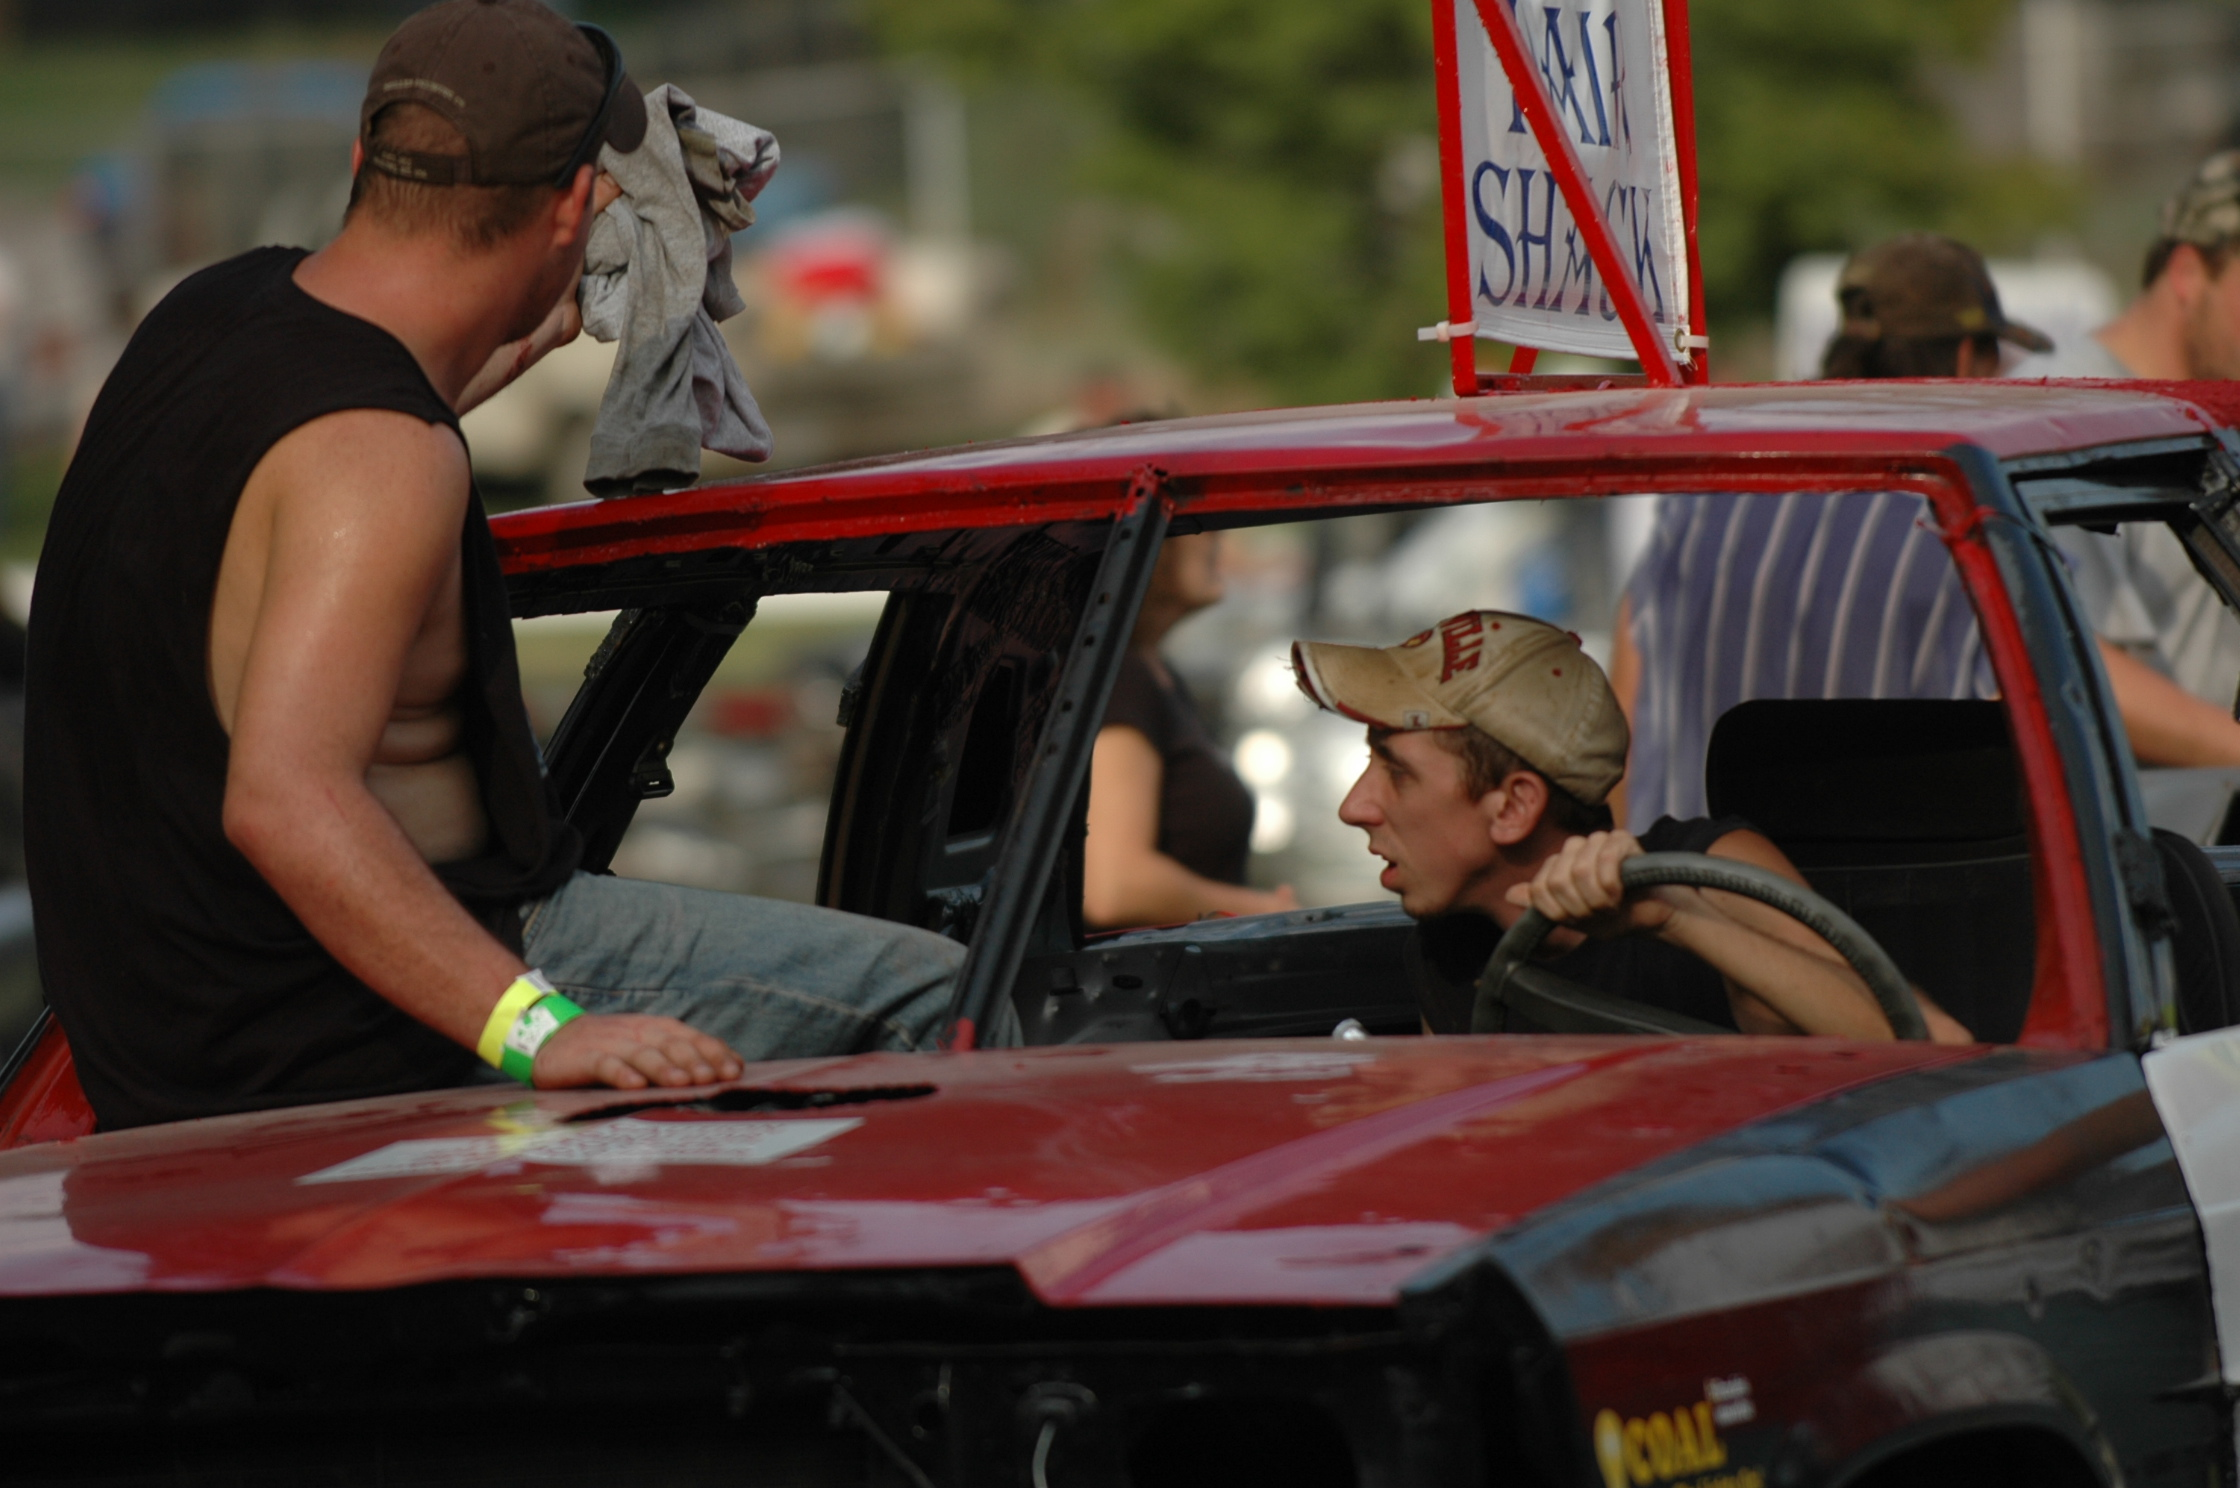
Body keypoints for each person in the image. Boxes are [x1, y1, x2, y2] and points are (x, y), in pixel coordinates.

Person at [24, 0, 962, 1132]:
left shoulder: (205, 315)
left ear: (367, 161)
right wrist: (541, 1029)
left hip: (167, 1037)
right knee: (944, 990)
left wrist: (473, 371)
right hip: (360, 1020)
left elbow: (284, 463)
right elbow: (284, 800)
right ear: (574, 208)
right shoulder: (384, 456)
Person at [1613, 232, 2240, 830]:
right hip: (1868, 901)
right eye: (1996, 360)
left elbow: (1626, 703)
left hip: (1678, 884)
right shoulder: (1961, 525)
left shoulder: (1701, 509)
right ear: (1967, 357)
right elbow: (2065, 689)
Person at [1294, 610, 1974, 1042]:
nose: (1355, 806)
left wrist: (1675, 917)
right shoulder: (1447, 948)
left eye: (1396, 771)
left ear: (1514, 807)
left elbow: (1938, 1047)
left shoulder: (1707, 867)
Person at [2035, 151, 2240, 722]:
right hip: (2153, 785)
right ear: (2188, 275)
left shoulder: (2211, 407)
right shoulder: (2066, 417)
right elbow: (2070, 665)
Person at [1085, 531, 1296, 927]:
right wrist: (1268, 911)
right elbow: (1114, 889)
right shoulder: (1123, 678)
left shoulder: (1153, 671)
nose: (1216, 532)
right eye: (1192, 519)